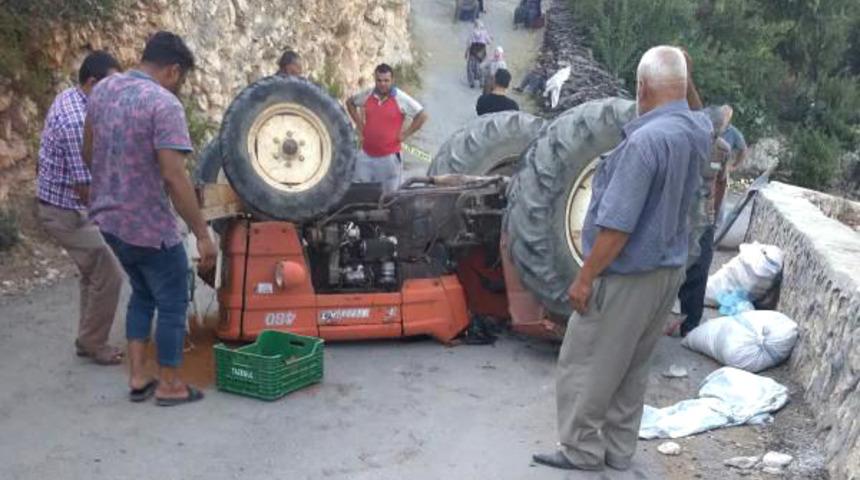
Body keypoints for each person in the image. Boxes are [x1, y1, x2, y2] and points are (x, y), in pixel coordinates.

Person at [532, 46, 712, 471]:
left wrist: (584, 277)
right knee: (633, 365)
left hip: (628, 275)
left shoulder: (644, 144)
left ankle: (581, 450)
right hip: (668, 273)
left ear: (642, 87)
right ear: (682, 87)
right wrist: (683, 75)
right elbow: (697, 109)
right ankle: (617, 450)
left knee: (585, 361)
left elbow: (617, 227)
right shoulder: (696, 130)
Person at [83, 31, 217, 406]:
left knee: (142, 293)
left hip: (109, 222)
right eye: (181, 80)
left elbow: (88, 150)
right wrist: (202, 234)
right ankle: (170, 384)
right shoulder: (163, 104)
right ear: (173, 70)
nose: (179, 87)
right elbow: (174, 177)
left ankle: (138, 375)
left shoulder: (103, 90)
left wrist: (115, 183)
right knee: (173, 300)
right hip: (148, 227)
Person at [36, 51, 124, 366]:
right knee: (110, 272)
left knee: (94, 271)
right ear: (92, 82)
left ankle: (88, 339)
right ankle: (94, 343)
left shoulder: (72, 98)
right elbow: (86, 189)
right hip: (65, 211)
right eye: (110, 85)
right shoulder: (77, 121)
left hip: (62, 204)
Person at [676, 105, 733, 337]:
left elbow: (721, 182)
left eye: (718, 131)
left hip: (703, 218)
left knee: (699, 268)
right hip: (679, 215)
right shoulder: (684, 142)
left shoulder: (722, 149)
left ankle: (690, 324)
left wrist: (714, 216)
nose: (713, 135)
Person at [465, 20, 491, 88]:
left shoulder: (472, 32)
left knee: (470, 67)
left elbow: (469, 44)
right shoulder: (485, 32)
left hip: (473, 51)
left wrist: (466, 52)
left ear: (475, 26)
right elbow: (489, 42)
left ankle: (472, 82)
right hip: (481, 51)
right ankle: (481, 82)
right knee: (480, 67)